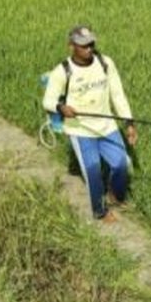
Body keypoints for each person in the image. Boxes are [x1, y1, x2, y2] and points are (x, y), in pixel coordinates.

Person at [41, 25, 138, 222]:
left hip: (106, 126)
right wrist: (61, 108)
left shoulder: (105, 63)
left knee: (121, 164)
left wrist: (128, 123)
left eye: (91, 44)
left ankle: (116, 195)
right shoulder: (62, 71)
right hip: (80, 129)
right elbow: (48, 101)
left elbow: (117, 94)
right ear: (71, 46)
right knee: (93, 170)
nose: (89, 49)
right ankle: (100, 211)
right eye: (83, 45)